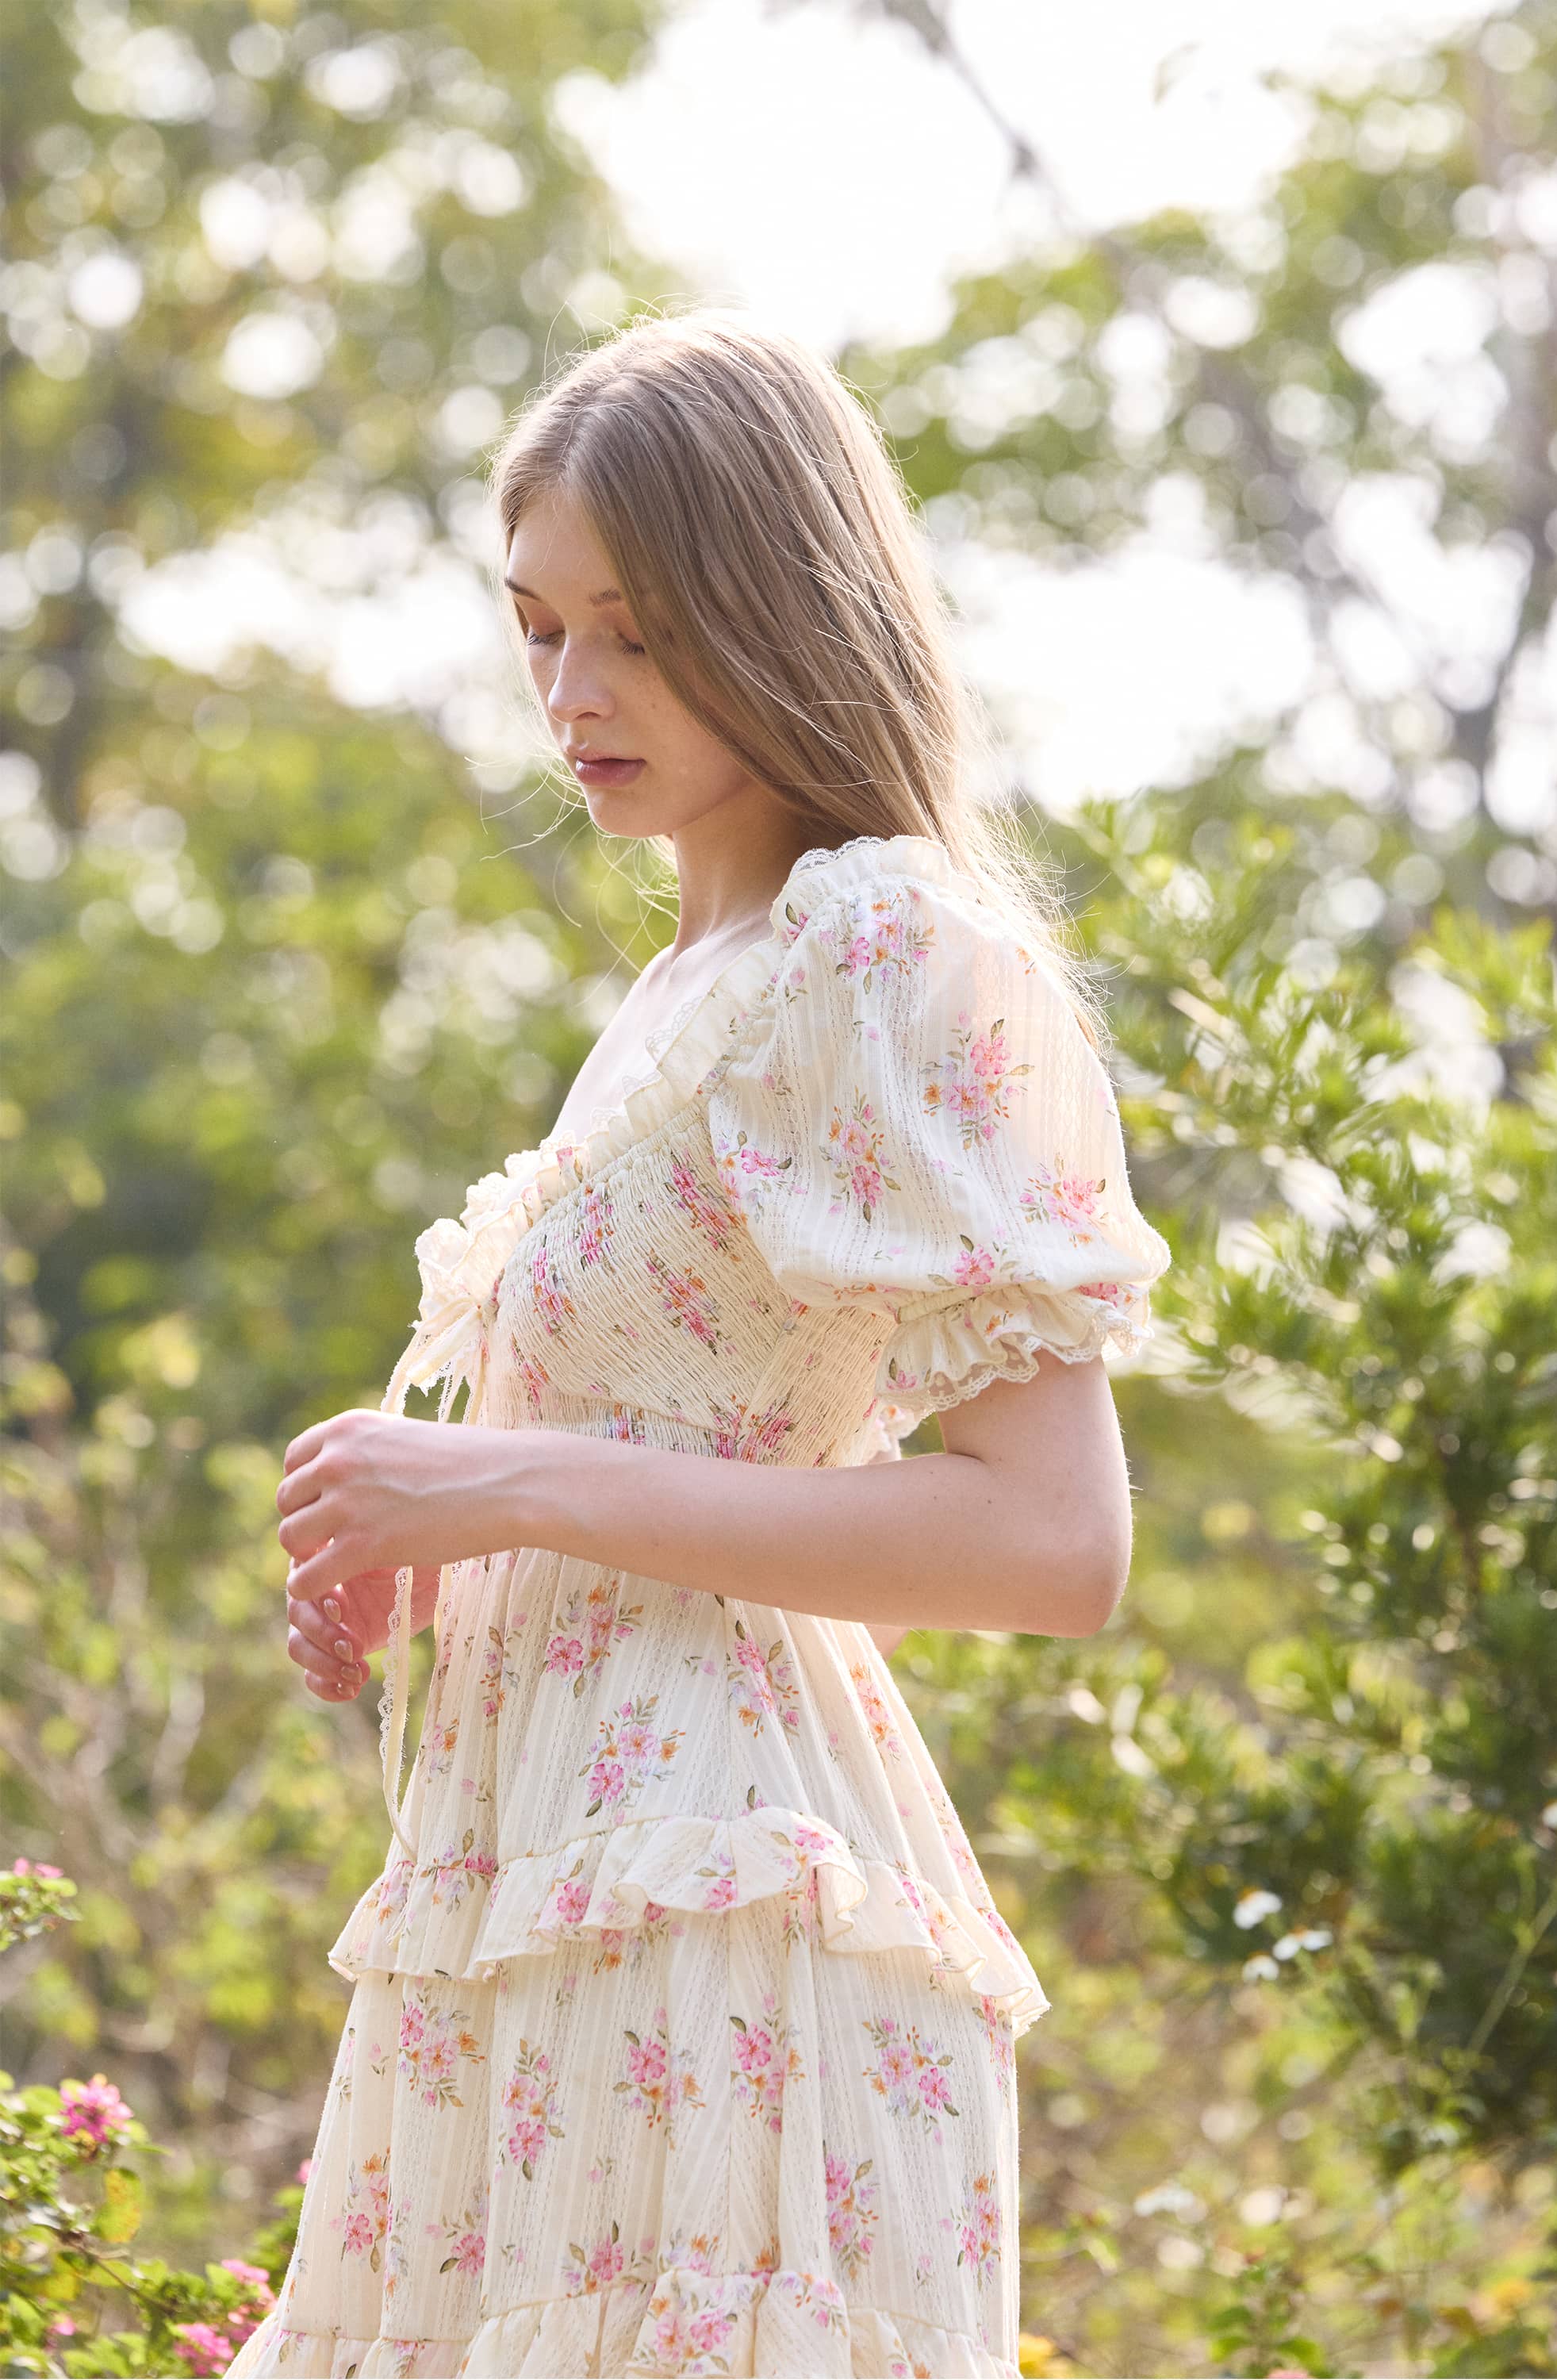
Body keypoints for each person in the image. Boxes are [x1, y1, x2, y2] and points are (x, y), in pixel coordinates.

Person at [227, 309, 1171, 2380]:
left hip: (735, 1937)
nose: (573, 693)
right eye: (539, 629)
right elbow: (707, 1453)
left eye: (635, 634)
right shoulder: (684, 989)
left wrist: (509, 1480)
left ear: (780, 605)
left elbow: (1053, 1544)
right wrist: (438, 1552)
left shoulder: (887, 952)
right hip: (535, 1908)